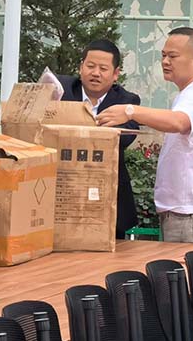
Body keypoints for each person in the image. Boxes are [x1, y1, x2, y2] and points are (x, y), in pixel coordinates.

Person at [97, 27, 193, 244]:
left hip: (190, 213)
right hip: (182, 211)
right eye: (163, 55)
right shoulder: (189, 93)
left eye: (173, 56)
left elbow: (178, 122)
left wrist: (130, 111)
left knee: (192, 268)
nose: (165, 62)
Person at [58, 39, 141, 238]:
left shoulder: (126, 101)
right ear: (81, 67)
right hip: (64, 191)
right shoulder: (61, 91)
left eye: (103, 68)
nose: (95, 73)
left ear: (115, 74)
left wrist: (85, 129)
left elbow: (126, 137)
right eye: (90, 66)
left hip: (107, 196)